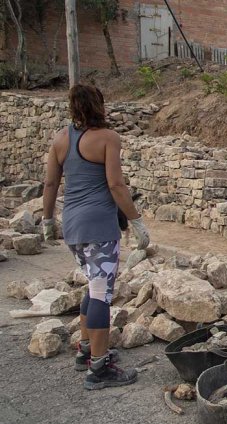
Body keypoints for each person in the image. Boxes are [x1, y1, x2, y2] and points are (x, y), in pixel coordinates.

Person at [41, 84, 150, 390]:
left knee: (93, 284)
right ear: (100, 106)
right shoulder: (107, 138)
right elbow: (116, 184)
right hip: (99, 227)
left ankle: (87, 349)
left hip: (73, 226)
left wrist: (48, 219)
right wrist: (137, 221)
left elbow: (50, 184)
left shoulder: (61, 139)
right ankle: (99, 369)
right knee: (102, 293)